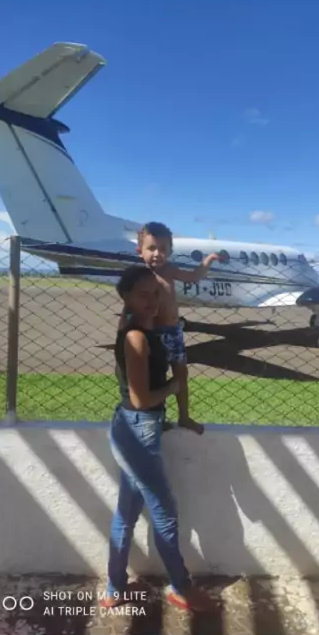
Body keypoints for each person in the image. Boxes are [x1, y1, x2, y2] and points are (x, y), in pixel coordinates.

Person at [106, 264, 214, 612]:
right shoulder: (136, 337)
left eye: (155, 294)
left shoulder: (140, 328)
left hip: (136, 427)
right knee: (164, 513)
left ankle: (114, 588)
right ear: (126, 297)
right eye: (143, 295)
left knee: (127, 513)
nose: (152, 301)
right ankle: (180, 588)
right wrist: (173, 386)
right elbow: (141, 399)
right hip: (137, 430)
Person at [132, 221, 222, 435]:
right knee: (156, 380)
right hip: (152, 336)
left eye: (163, 249)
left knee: (181, 375)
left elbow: (194, 276)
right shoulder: (140, 277)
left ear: (170, 251)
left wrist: (207, 261)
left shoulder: (170, 270)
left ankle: (184, 416)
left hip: (173, 332)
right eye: (151, 248)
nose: (157, 254)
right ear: (140, 251)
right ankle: (158, 418)